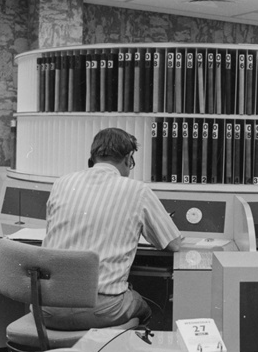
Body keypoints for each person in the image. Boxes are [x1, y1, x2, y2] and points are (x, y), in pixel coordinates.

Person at [40, 127, 182, 329]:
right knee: (146, 307)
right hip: (102, 311)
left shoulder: (62, 183)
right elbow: (173, 243)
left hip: (47, 309)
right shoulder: (137, 190)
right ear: (127, 159)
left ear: (93, 159)